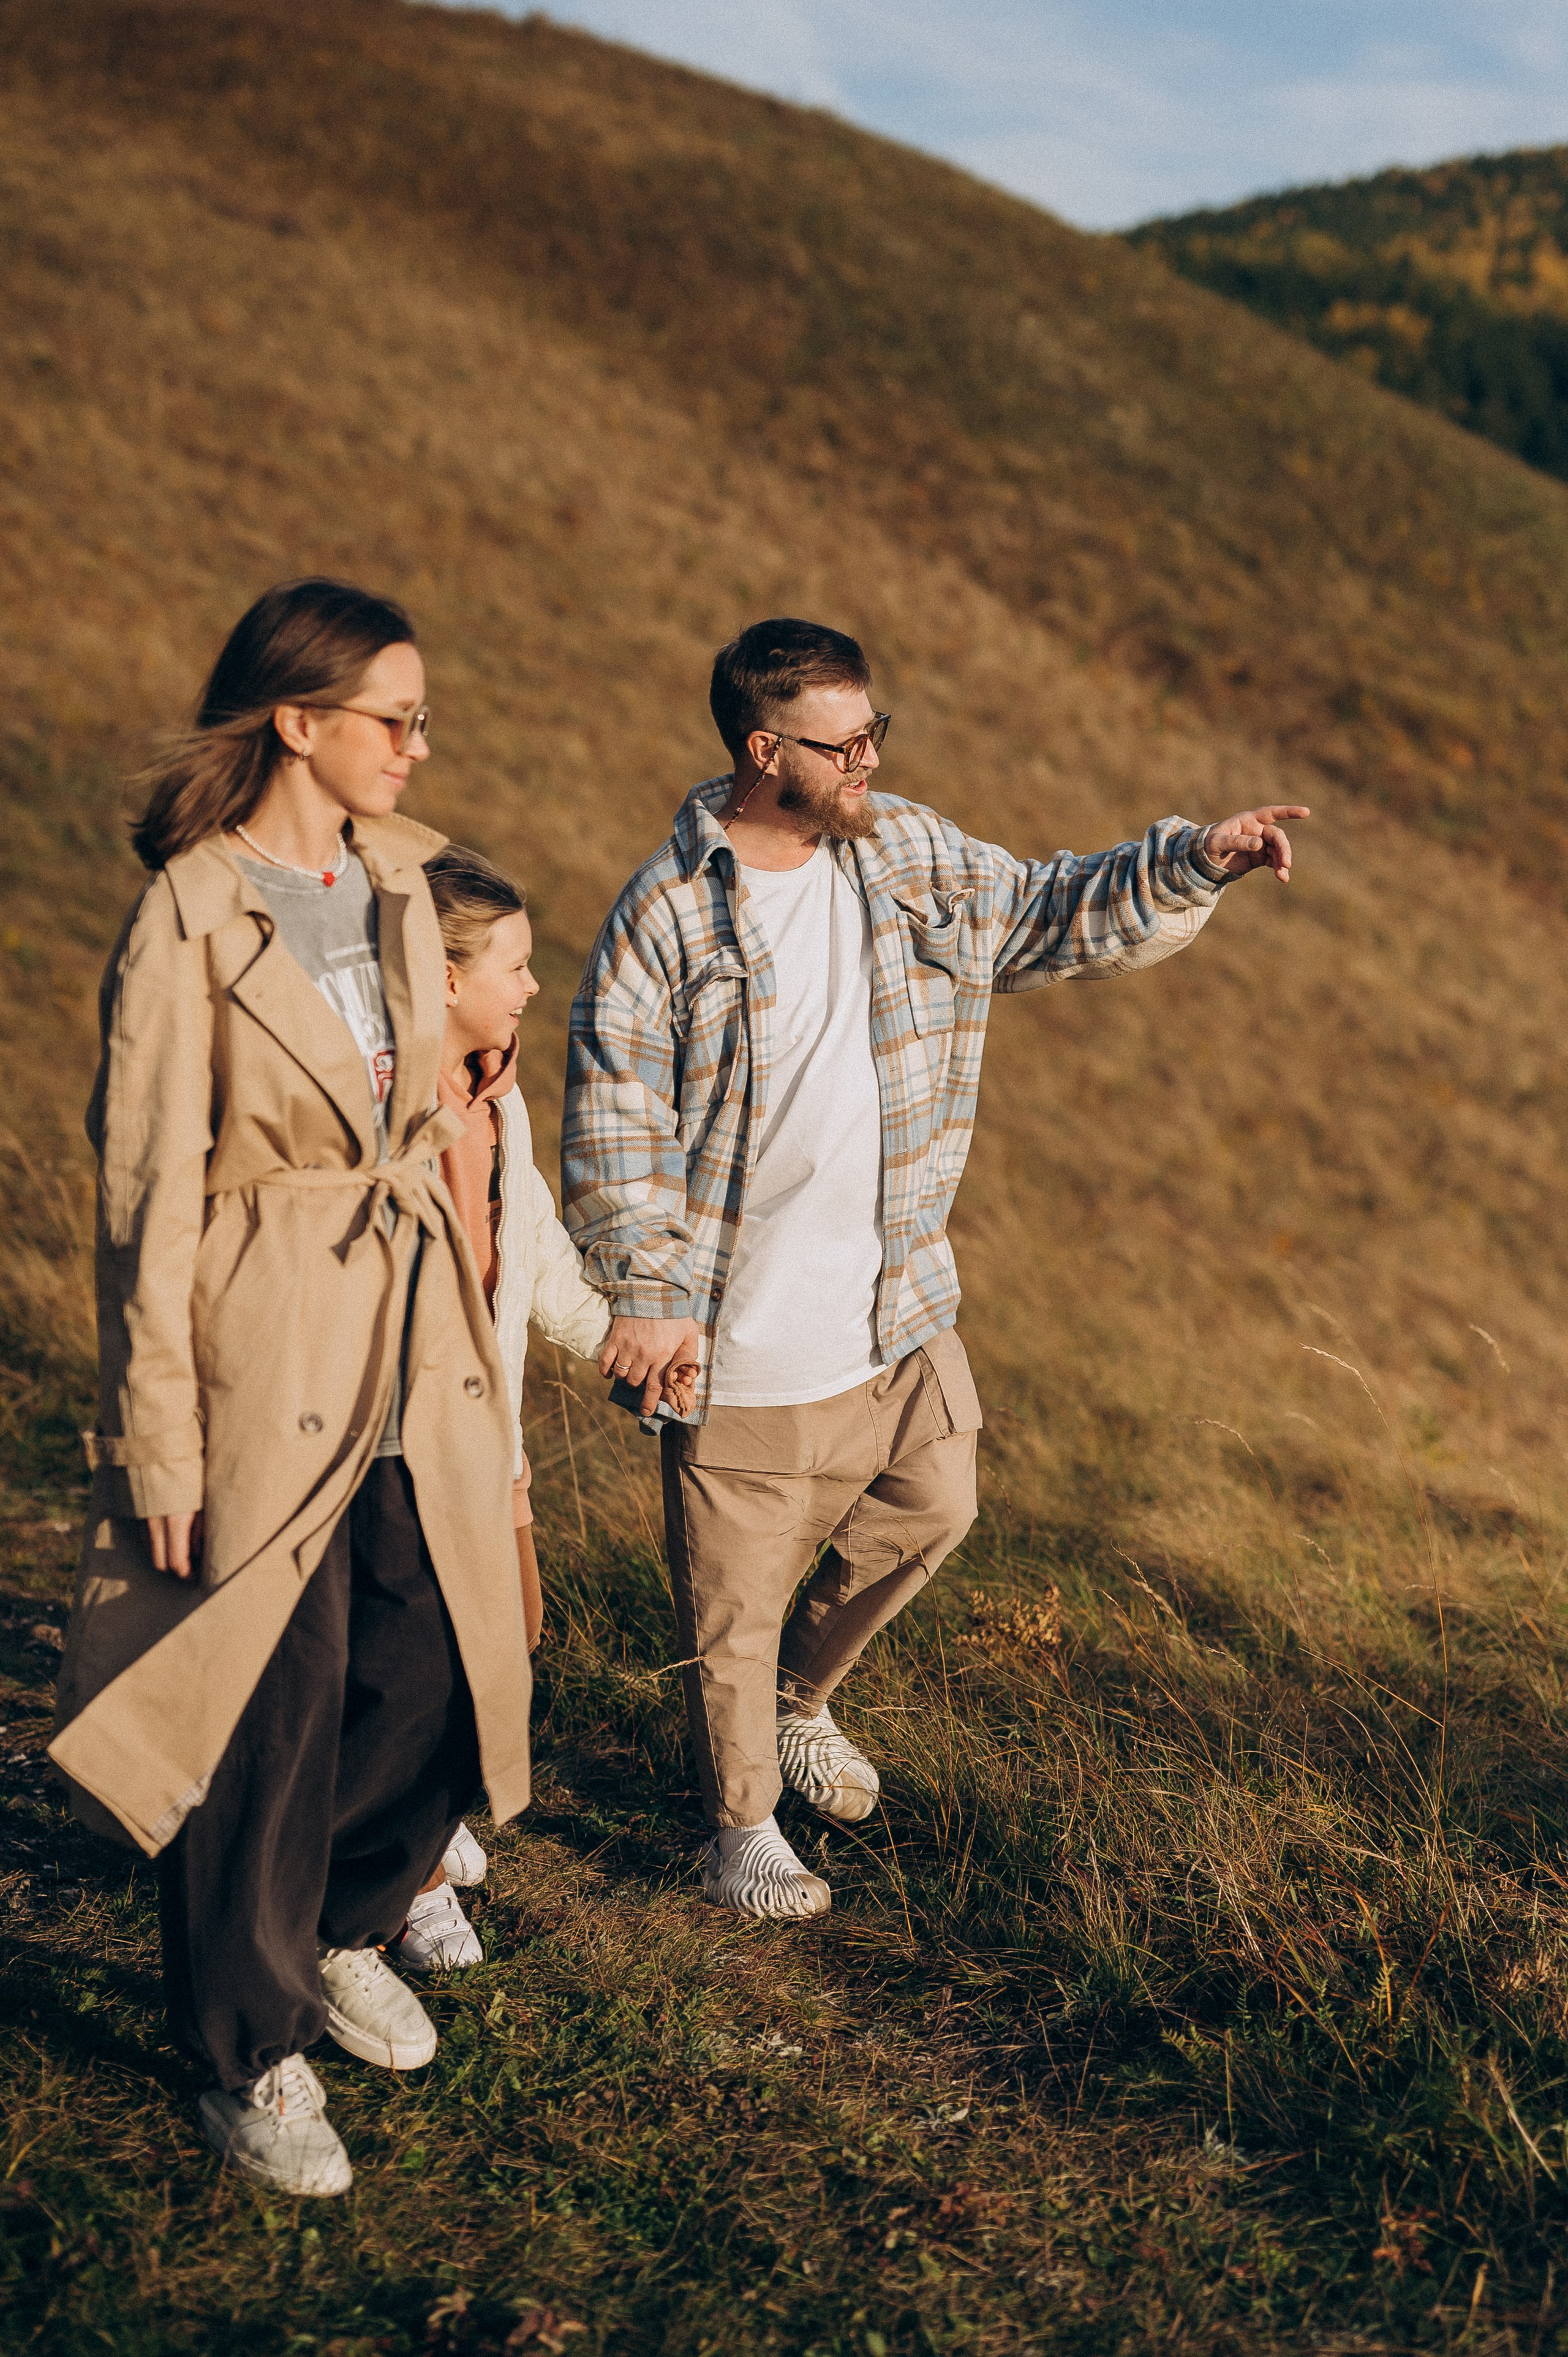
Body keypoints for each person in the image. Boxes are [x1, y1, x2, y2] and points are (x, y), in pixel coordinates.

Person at [562, 616, 1308, 1920]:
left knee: (935, 1505)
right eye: (841, 742)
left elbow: (1038, 909)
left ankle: (802, 1704)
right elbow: (614, 1116)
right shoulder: (667, 914)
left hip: (888, 1303)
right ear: (760, 748)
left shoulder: (897, 851)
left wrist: (1195, 858)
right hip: (738, 1332)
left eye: (873, 734)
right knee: (728, 1606)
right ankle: (736, 1832)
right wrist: (650, 1292)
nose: (866, 759)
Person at [50, 579, 533, 2199]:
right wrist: (160, 1443)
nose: (418, 742)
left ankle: (336, 1920)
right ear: (297, 722)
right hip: (261, 1338)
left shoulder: (402, 873)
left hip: (407, 1324)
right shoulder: (188, 917)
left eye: (423, 716)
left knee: (440, 1658)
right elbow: (142, 1203)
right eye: (394, 715)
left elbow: (450, 1035)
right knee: (275, 1694)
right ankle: (246, 2056)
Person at [391, 846, 694, 1972]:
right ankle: (405, 1885)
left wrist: (621, 1348)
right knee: (430, 1673)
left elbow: (531, 1254)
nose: (531, 986)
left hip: (493, 1446)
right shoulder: (379, 1113)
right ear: (443, 974)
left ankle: (418, 1824)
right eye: (512, 965)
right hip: (404, 1451)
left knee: (509, 1644)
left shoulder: (499, 1094)